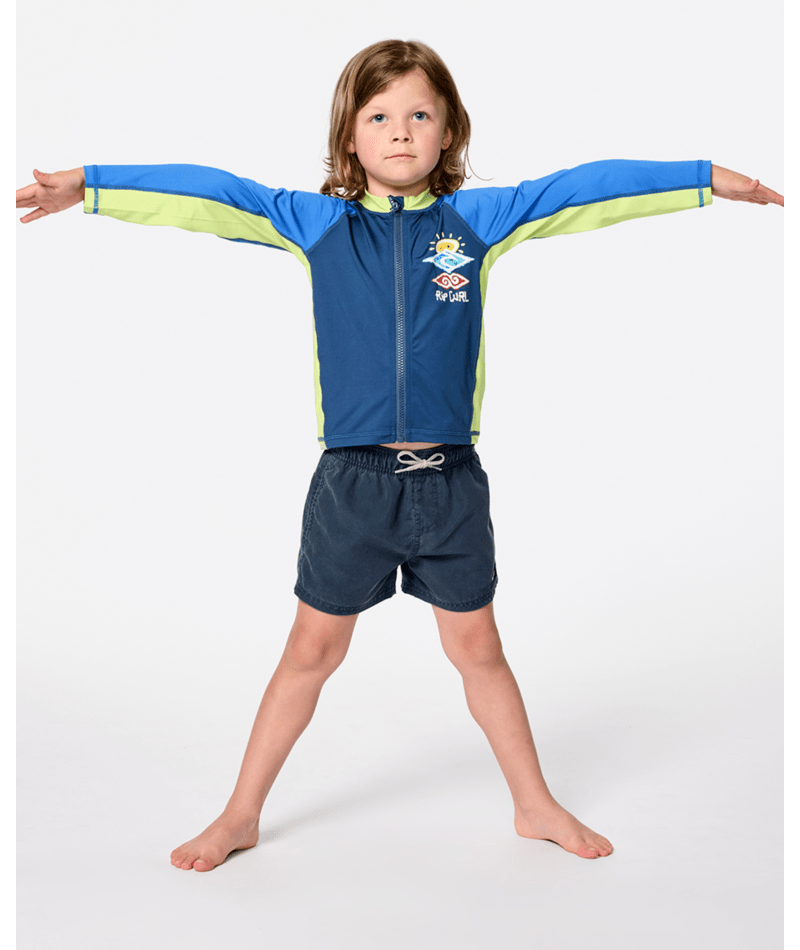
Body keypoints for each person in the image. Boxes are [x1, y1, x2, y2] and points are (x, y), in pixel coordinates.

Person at [16, 39, 783, 872]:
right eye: (379, 116)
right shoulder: (317, 224)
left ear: (449, 132)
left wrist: (707, 178)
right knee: (310, 652)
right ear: (350, 137)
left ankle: (533, 804)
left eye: (420, 114)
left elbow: (584, 187)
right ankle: (239, 814)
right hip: (353, 487)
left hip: (450, 485)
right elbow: (213, 192)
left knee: (479, 651)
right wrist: (89, 185)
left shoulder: (477, 222)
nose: (401, 131)